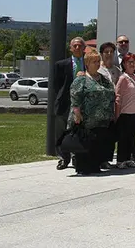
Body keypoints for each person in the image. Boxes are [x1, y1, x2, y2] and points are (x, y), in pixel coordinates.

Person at [68, 48, 115, 175]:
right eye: (94, 61)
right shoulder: (81, 79)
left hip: (101, 119)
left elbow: (111, 93)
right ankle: (83, 167)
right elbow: (75, 97)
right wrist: (77, 113)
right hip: (85, 119)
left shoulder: (104, 79)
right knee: (85, 143)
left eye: (98, 61)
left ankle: (95, 165)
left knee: (97, 143)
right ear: (87, 63)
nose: (97, 64)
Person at [53, 37, 86, 170]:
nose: (77, 48)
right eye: (75, 46)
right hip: (64, 103)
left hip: (83, 103)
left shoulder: (89, 63)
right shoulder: (61, 65)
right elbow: (57, 85)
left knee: (77, 131)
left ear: (84, 48)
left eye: (80, 45)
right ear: (70, 48)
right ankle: (63, 158)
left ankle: (76, 157)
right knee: (61, 131)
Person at [114, 53, 135, 168]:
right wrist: (117, 114)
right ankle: (120, 160)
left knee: (131, 137)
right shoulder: (123, 78)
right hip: (125, 113)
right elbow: (118, 96)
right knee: (123, 138)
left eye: (134, 62)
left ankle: (128, 158)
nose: (132, 64)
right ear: (124, 64)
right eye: (129, 62)